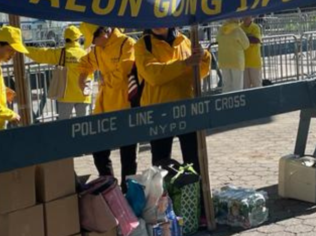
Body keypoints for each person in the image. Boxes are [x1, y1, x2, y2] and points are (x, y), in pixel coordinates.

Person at [135, 27, 211, 172]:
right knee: (161, 164)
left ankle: (196, 192)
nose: (158, 23)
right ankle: (165, 194)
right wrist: (184, 63)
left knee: (194, 160)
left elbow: (198, 73)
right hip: (159, 112)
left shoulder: (185, 40)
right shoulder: (141, 45)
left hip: (187, 109)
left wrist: (204, 56)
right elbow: (154, 75)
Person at [77, 23, 138, 184]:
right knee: (99, 151)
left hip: (125, 106)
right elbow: (85, 62)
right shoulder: (97, 49)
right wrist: (82, 76)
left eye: (94, 40)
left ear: (103, 32)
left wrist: (105, 79)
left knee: (128, 155)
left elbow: (123, 73)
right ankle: (109, 186)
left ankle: (128, 190)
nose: (93, 45)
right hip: (103, 108)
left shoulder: (127, 43)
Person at [25, 25, 91, 119]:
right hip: (83, 95)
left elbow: (41, 54)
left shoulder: (60, 53)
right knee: (84, 125)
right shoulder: (86, 54)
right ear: (78, 38)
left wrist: (23, 49)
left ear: (65, 38)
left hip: (65, 96)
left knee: (64, 125)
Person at [216, 19, 249, 93]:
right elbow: (246, 44)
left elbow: (217, 39)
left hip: (223, 60)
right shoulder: (238, 30)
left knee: (227, 85)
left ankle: (226, 102)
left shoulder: (221, 29)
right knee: (237, 86)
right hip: (236, 61)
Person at [241, 17, 263, 90]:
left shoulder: (255, 27)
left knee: (257, 85)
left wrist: (243, 37)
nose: (246, 18)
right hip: (243, 62)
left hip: (254, 62)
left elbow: (256, 40)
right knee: (245, 86)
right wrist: (249, 36)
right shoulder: (239, 27)